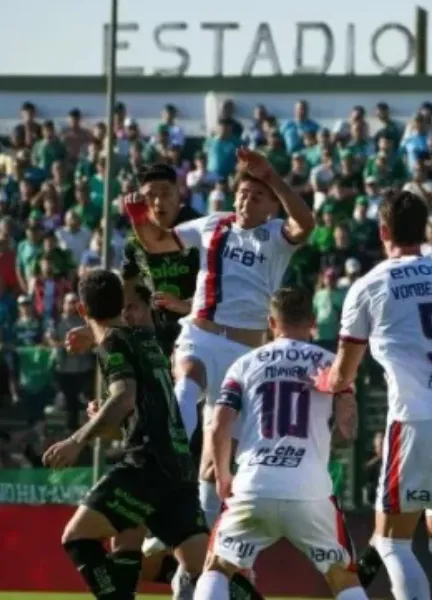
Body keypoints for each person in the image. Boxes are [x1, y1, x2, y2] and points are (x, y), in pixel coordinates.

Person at [122, 147, 315, 535]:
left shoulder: (277, 235)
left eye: (257, 195)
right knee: (187, 378)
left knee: (216, 459)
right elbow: (157, 243)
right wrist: (138, 216)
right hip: (201, 332)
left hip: (245, 352)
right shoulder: (213, 225)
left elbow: (306, 223)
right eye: (243, 193)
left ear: (271, 207)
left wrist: (272, 176)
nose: (246, 199)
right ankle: (167, 458)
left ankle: (201, 549)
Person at [322, 190, 432, 600]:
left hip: (415, 419)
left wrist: (325, 382)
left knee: (392, 542)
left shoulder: (370, 285)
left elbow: (344, 371)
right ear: (425, 229)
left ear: (383, 231)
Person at [43, 269, 208, 599]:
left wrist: (77, 440)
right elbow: (136, 405)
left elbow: (124, 396)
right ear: (122, 305)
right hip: (178, 465)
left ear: (82, 310)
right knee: (202, 570)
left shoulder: (115, 343)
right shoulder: (145, 340)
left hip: (146, 463)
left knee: (76, 538)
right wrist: (106, 416)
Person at [193, 287, 365, 600]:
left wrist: (222, 475)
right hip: (309, 489)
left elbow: (219, 424)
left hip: (253, 483)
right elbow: (347, 430)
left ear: (271, 323)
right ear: (313, 321)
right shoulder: (330, 365)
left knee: (218, 565)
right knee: (341, 576)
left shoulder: (245, 364)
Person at [121, 163, 202, 355]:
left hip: (199, 330)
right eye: (150, 196)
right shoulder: (134, 239)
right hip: (157, 334)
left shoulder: (199, 229)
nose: (158, 202)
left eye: (166, 194)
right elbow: (128, 284)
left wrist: (187, 306)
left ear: (179, 193)